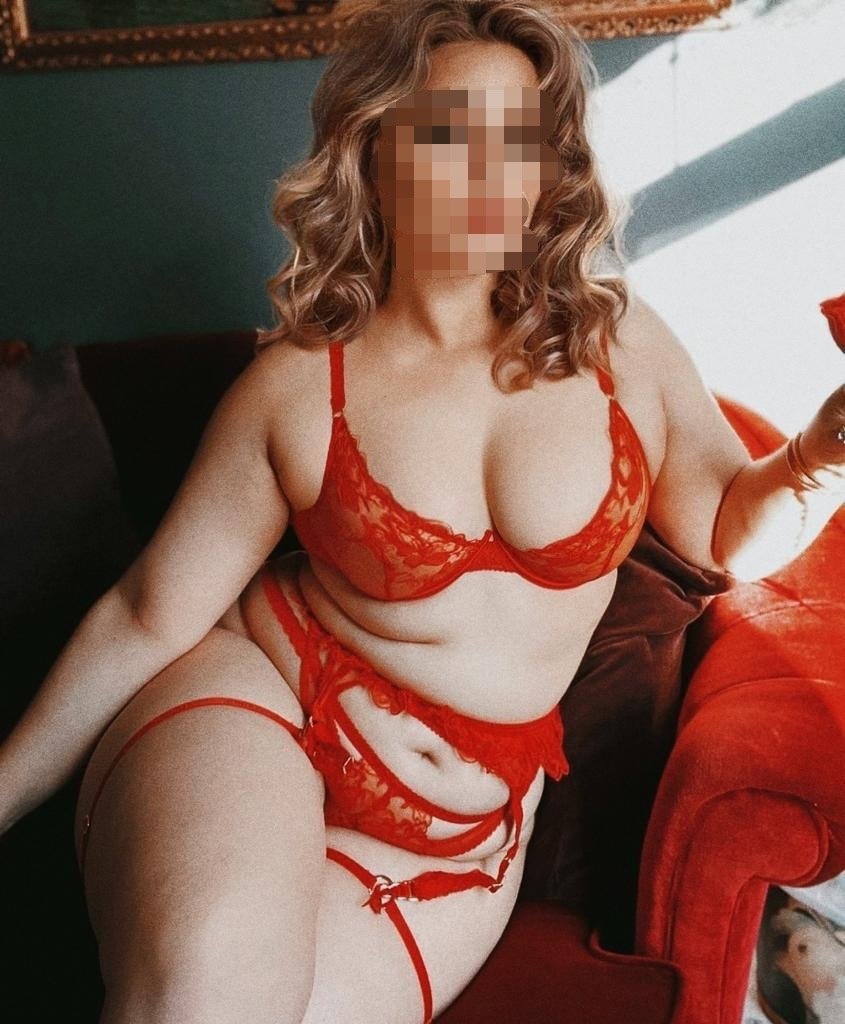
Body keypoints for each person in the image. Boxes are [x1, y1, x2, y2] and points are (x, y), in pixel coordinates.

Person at [2, 2, 844, 1023]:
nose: (492, 174)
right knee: (203, 1002)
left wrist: (817, 453)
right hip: (257, 707)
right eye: (451, 135)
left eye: (519, 138)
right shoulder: (301, 385)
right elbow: (147, 613)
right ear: (375, 153)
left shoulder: (619, 344)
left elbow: (721, 536)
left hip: (452, 838)